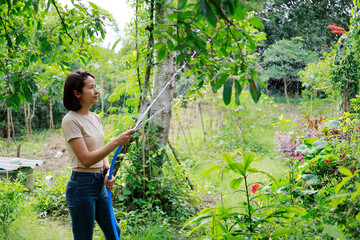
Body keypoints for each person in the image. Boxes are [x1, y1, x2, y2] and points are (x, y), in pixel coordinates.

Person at [62, 70, 135, 240]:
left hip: (99, 184)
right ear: (77, 93)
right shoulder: (70, 120)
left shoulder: (95, 117)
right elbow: (86, 159)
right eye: (91, 87)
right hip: (81, 186)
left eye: (96, 87)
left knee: (115, 231)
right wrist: (116, 142)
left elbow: (100, 150)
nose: (97, 91)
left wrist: (107, 170)